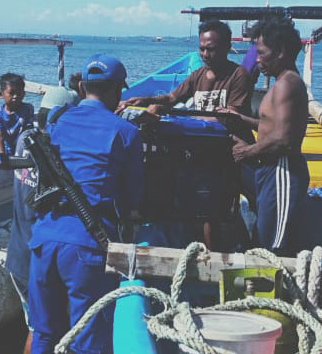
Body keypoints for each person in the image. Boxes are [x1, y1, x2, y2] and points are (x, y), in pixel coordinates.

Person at [27, 55, 143, 354]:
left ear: (81, 88)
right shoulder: (125, 133)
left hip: (44, 239)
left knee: (44, 332)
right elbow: (131, 198)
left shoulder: (58, 122)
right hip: (87, 247)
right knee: (90, 347)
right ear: (118, 92)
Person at [219, 16, 309, 255]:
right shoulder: (280, 83)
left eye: (261, 53)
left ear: (280, 52)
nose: (257, 60)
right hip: (269, 171)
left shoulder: (288, 84)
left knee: (274, 248)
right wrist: (240, 119)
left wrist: (246, 151)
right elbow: (271, 126)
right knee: (263, 237)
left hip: (282, 170)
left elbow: (284, 139)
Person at [6, 85, 78, 354]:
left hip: (18, 250)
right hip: (35, 257)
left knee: (38, 326)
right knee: (40, 330)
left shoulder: (25, 138)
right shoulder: (55, 148)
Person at [119, 19, 252, 117]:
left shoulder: (238, 75)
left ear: (227, 48)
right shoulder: (197, 75)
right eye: (202, 49)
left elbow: (230, 117)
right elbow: (171, 98)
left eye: (211, 49)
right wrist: (144, 101)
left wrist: (170, 112)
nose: (205, 55)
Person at [0, 72, 34, 165]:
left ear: (24, 94)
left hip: (23, 151)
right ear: (1, 94)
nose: (15, 96)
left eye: (19, 93)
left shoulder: (28, 109)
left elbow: (29, 132)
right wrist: (2, 155)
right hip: (6, 151)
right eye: (11, 93)